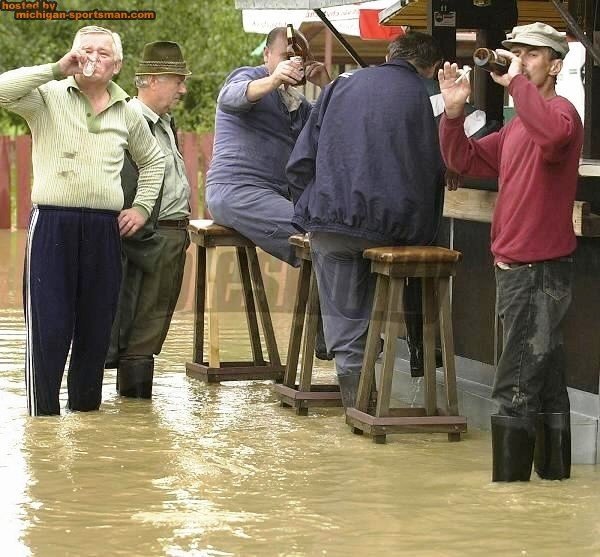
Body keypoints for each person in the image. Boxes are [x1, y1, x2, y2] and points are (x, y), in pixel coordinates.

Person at [438, 22, 583, 481]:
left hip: (538, 271)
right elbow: (462, 160)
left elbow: (554, 137)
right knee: (545, 384)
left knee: (514, 385)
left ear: (556, 65)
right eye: (517, 52)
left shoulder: (561, 115)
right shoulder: (520, 125)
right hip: (520, 269)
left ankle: (510, 504)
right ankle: (552, 492)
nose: (520, 60)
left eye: (533, 55)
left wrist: (517, 83)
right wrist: (454, 114)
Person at [0, 26, 165, 416]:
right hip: (52, 225)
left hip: (103, 229)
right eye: (84, 50)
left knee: (95, 331)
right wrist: (56, 68)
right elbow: (3, 90)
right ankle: (43, 422)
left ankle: (87, 420)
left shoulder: (128, 110)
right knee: (50, 328)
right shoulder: (46, 97)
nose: (92, 57)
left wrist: (141, 207)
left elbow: (152, 160)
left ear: (117, 65)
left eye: (102, 52)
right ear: (73, 56)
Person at [286, 31, 445, 408]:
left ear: (390, 54)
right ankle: (379, 394)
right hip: (391, 230)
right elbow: (431, 172)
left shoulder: (340, 85)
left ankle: (358, 409)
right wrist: (422, 235)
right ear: (431, 68)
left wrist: (310, 208)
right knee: (377, 298)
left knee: (345, 318)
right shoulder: (420, 97)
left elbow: (299, 162)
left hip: (331, 224)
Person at [205, 26, 332, 357]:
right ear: (267, 56)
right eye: (285, 57)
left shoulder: (299, 103)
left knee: (330, 236)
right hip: (235, 191)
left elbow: (331, 128)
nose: (292, 65)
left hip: (270, 197)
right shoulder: (250, 77)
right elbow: (232, 96)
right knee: (317, 238)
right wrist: (274, 78)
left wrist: (327, 86)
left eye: (299, 60)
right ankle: (333, 336)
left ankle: (329, 336)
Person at [106, 41, 191, 399]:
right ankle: (134, 418)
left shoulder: (165, 123)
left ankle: (128, 427)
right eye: (177, 80)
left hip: (164, 236)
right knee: (140, 332)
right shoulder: (130, 122)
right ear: (152, 80)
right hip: (149, 238)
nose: (183, 89)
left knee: (142, 331)